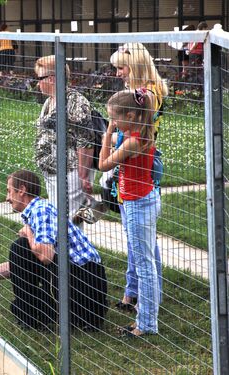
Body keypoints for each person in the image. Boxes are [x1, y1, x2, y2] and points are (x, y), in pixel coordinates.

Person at [0, 170, 108, 331]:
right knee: (22, 256)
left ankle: (31, 316)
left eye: (9, 191)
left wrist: (28, 232)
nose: (7, 198)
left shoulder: (40, 210)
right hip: (86, 296)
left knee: (19, 248)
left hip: (85, 293)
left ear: (22, 190)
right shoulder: (39, 210)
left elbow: (46, 256)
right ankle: (31, 311)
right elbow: (17, 266)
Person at [102, 42, 166, 314]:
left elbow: (139, 127)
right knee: (137, 238)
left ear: (137, 65)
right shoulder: (138, 93)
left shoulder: (148, 95)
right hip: (131, 164)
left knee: (141, 241)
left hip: (140, 166)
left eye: (122, 67)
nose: (118, 73)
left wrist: (112, 134)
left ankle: (146, 299)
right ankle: (134, 291)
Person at [98, 88, 161, 338]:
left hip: (137, 204)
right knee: (145, 260)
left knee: (145, 265)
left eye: (116, 117)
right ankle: (147, 317)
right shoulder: (140, 132)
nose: (113, 122)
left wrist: (107, 134)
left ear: (132, 115)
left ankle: (145, 323)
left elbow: (103, 164)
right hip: (144, 198)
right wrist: (116, 132)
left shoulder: (133, 141)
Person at [34, 55, 96, 221]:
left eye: (39, 78)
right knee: (59, 219)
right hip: (53, 172)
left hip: (70, 173)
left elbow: (86, 139)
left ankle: (68, 248)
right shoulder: (50, 101)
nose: (37, 83)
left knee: (67, 222)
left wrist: (83, 176)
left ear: (52, 79)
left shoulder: (74, 101)